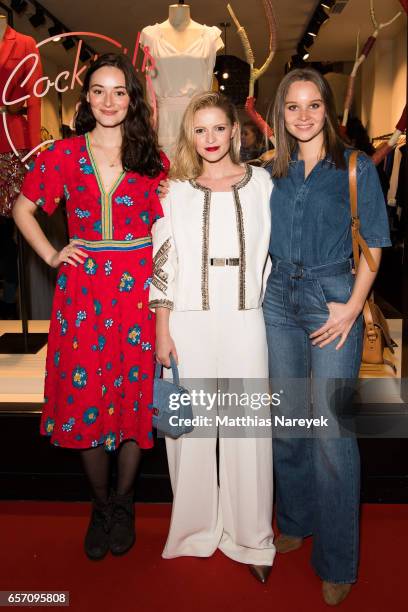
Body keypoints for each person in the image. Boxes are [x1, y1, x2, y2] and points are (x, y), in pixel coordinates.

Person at [13, 53, 167, 561]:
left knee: (132, 400)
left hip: (137, 297)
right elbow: (22, 208)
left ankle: (124, 503)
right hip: (81, 297)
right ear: (86, 99)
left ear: (132, 98)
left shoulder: (152, 158)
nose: (108, 101)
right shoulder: (61, 155)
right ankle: (99, 504)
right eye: (98, 90)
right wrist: (54, 254)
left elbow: (172, 228)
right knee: (86, 401)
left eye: (119, 91)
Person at [263, 68, 391, 605]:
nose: (304, 115)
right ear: (281, 113)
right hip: (278, 301)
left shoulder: (355, 167)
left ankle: (338, 559)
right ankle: (296, 517)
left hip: (332, 296)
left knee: (333, 434)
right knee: (290, 422)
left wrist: (353, 308)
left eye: (313, 105)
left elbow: (375, 246)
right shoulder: (271, 171)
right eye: (293, 107)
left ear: (328, 108)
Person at [150, 91, 275, 583]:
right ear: (189, 135)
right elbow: (164, 260)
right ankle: (194, 528)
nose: (209, 140)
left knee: (249, 429)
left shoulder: (262, 183)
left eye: (218, 129)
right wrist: (163, 327)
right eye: (199, 130)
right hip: (189, 318)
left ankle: (250, 537)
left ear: (236, 131)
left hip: (246, 316)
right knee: (192, 429)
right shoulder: (174, 190)